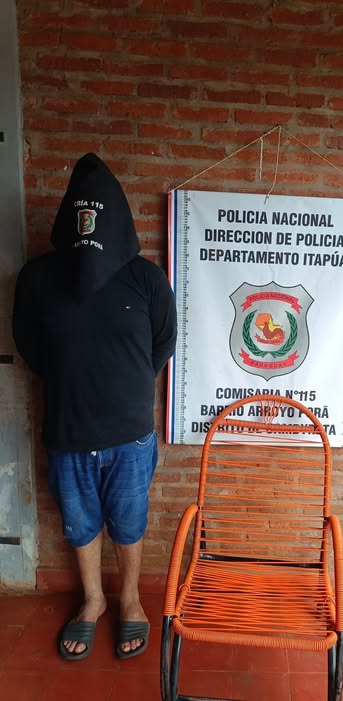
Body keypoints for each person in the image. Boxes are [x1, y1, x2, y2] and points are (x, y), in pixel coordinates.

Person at [12, 153, 177, 661]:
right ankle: (93, 600)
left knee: (128, 522)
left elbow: (163, 343)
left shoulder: (146, 279)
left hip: (130, 436)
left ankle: (129, 599)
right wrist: (75, 379)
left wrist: (125, 384)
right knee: (80, 523)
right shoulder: (38, 278)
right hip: (68, 433)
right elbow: (29, 344)